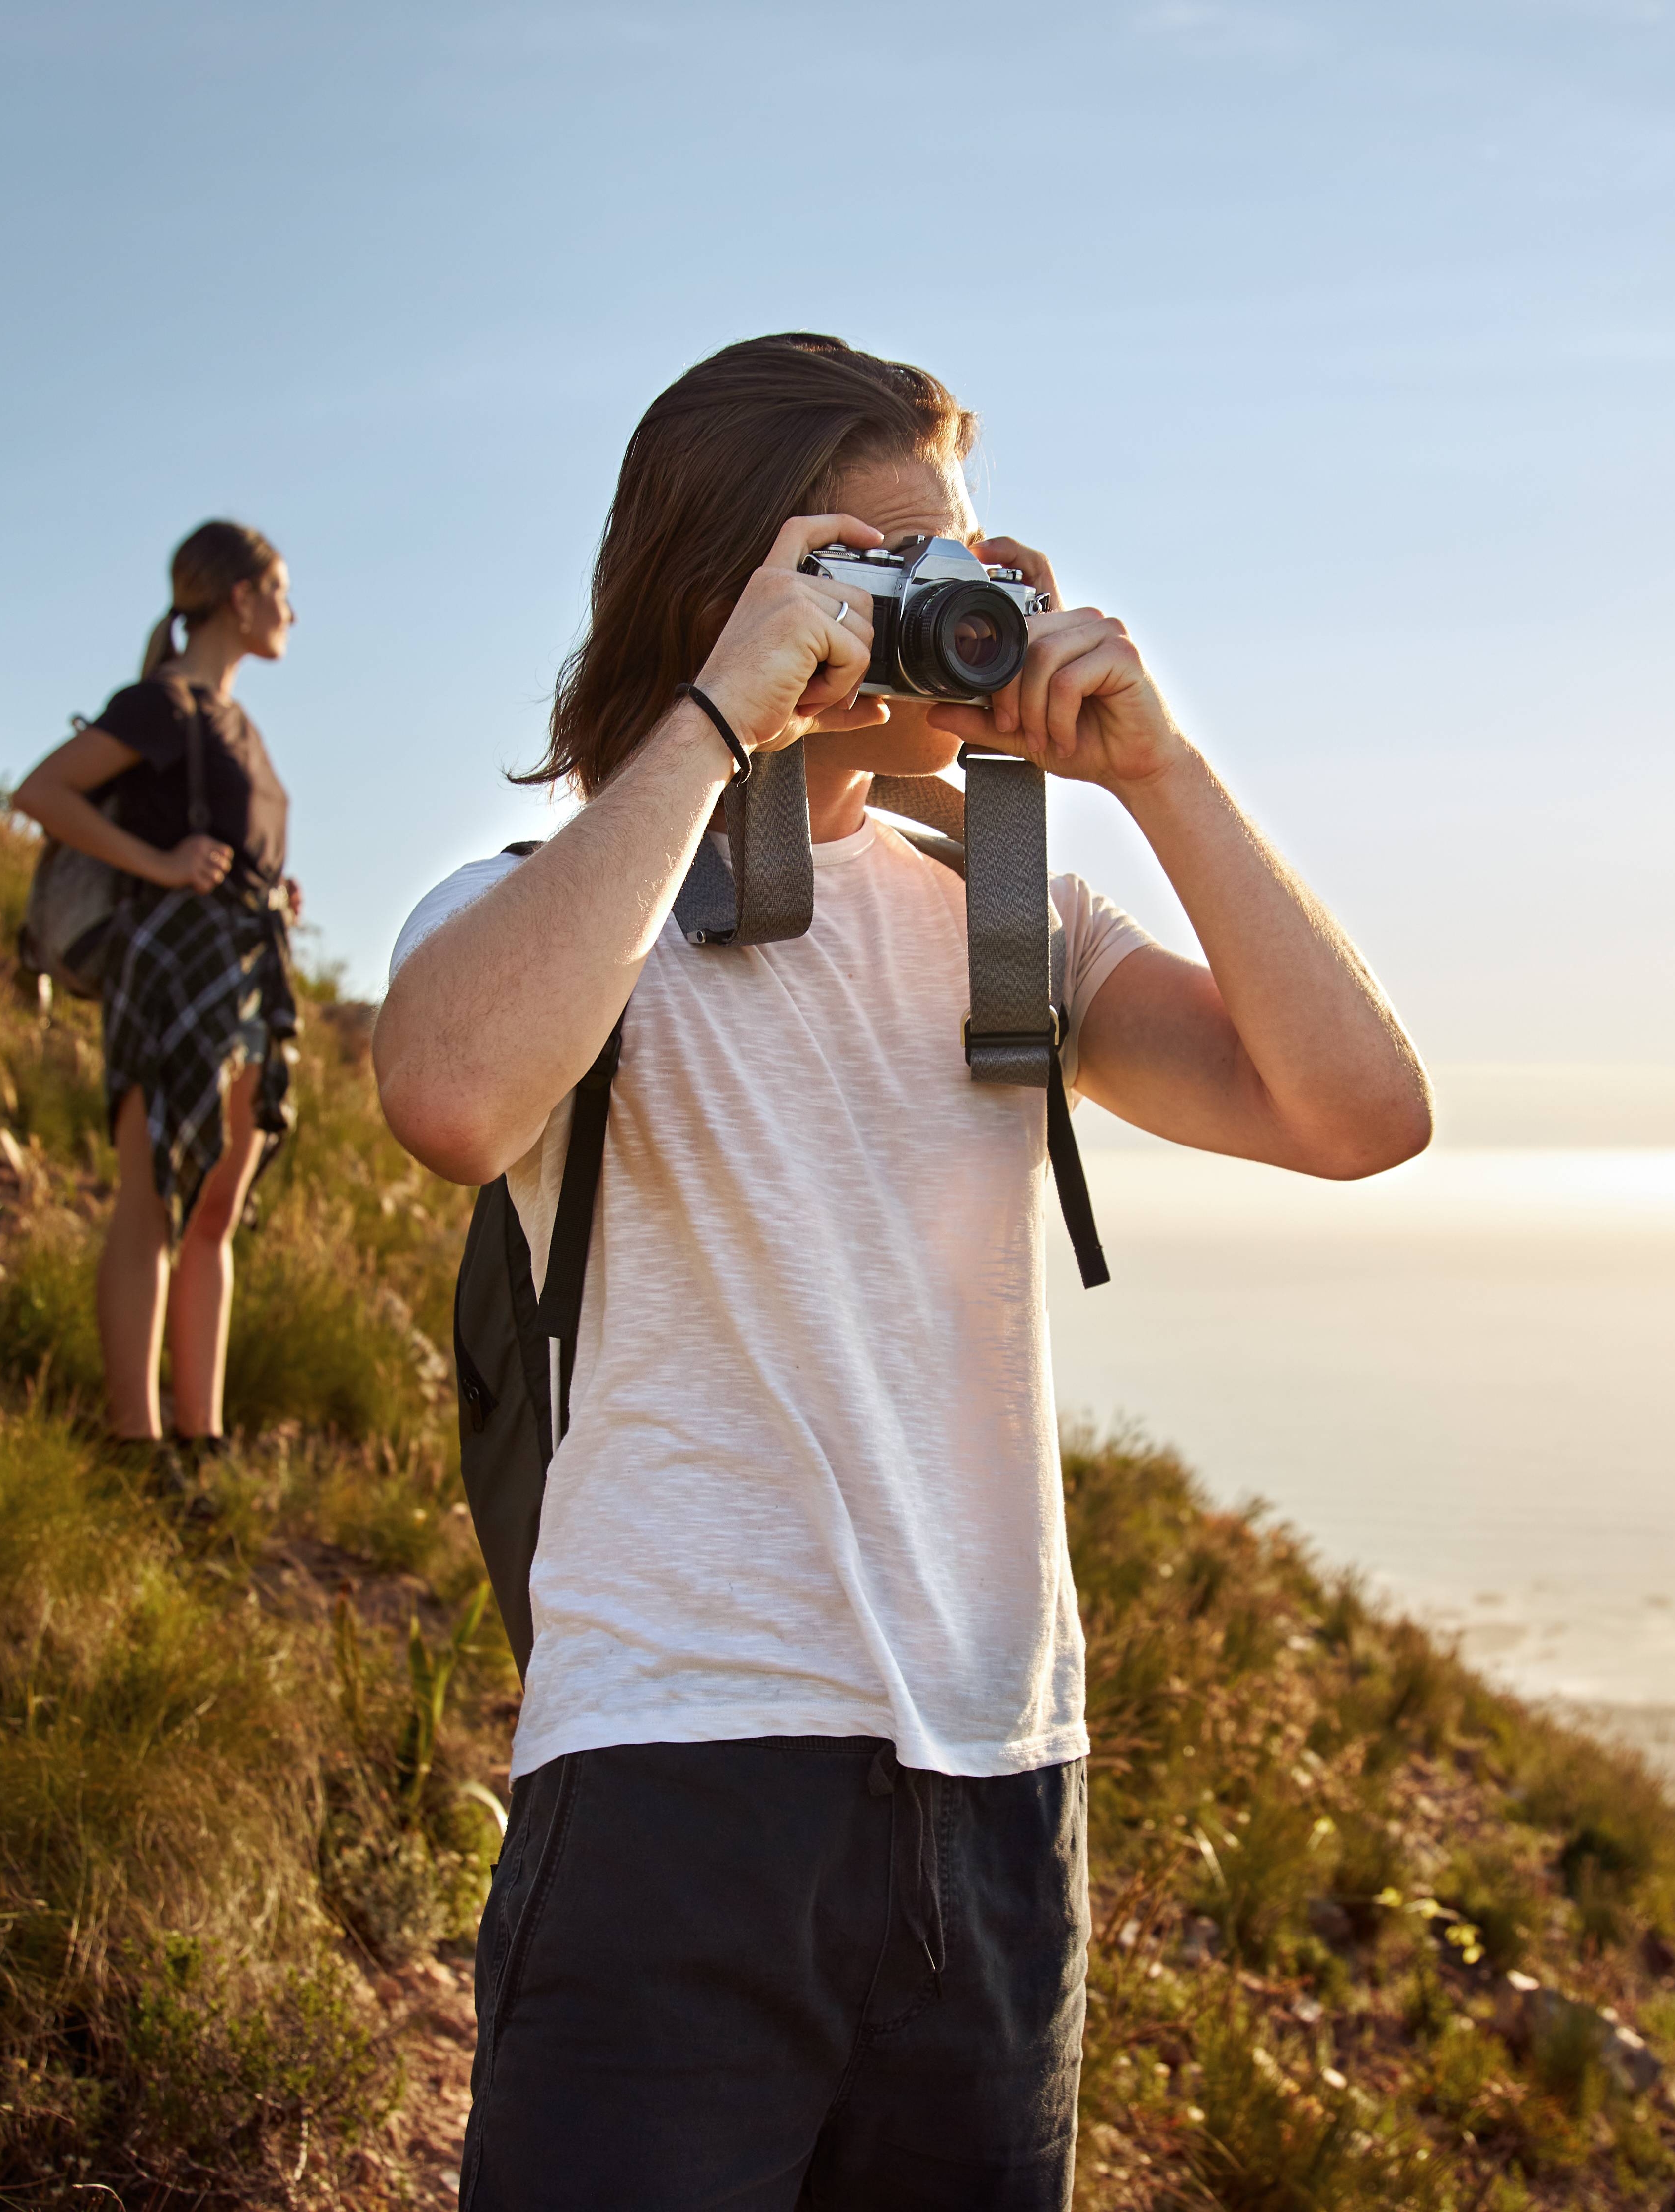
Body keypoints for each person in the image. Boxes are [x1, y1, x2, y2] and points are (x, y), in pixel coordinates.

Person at [374, 334, 1429, 2210]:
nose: (946, 602)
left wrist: (1158, 772)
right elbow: (450, 1095)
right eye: (882, 562)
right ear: (733, 593)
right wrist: (717, 726)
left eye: (964, 559)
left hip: (998, 1795)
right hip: (669, 1780)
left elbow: (1358, 1114)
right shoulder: (549, 911)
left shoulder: (1005, 918)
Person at [12, 520, 302, 1455]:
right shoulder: (161, 705)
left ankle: (200, 1442)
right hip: (171, 960)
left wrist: (275, 891)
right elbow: (43, 792)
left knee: (217, 1206)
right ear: (239, 595)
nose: (292, 611)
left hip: (251, 971)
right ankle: (135, 1446)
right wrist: (161, 861)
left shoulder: (240, 725)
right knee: (153, 1199)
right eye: (281, 589)